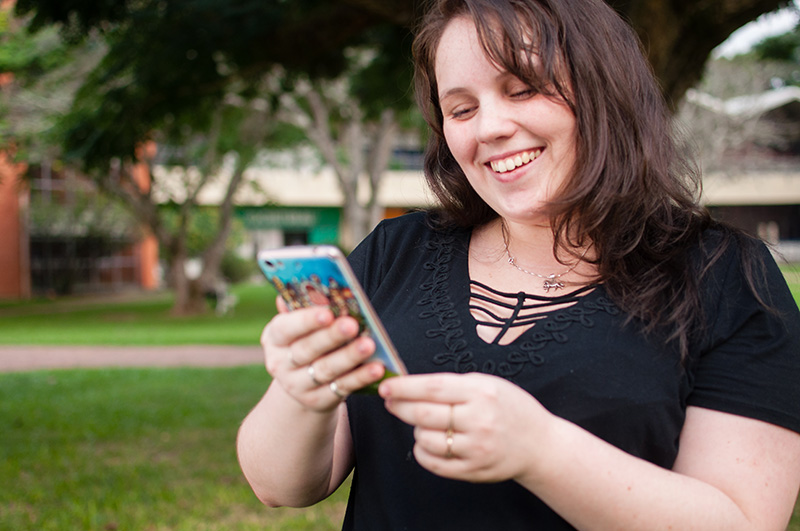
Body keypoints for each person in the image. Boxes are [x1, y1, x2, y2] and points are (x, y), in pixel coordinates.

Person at [236, 0, 800, 528]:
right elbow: (281, 486)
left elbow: (743, 519)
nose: (489, 128)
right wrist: (299, 389)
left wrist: (541, 451)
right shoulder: (394, 253)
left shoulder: (726, 276)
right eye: (462, 108)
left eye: (523, 89)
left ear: (606, 91)